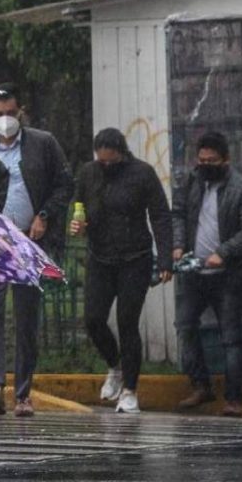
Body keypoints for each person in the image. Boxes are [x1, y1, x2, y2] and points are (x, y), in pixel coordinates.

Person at [0, 86, 74, 417]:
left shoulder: (42, 144)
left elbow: (65, 184)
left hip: (29, 241)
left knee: (26, 317)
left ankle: (22, 393)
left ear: (21, 111)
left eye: (10, 113)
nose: (5, 119)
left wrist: (44, 215)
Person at [70, 128, 173, 414]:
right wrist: (79, 223)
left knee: (128, 321)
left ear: (122, 154)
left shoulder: (142, 173)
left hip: (134, 258)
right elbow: (79, 203)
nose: (106, 165)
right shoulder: (89, 173)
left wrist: (166, 259)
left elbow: (160, 215)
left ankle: (130, 389)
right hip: (100, 256)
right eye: (101, 160)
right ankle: (114, 365)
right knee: (93, 318)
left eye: (111, 161)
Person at [171, 132, 242, 417]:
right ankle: (200, 385)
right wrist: (178, 245)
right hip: (195, 271)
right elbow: (178, 213)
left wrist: (224, 252)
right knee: (185, 325)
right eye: (201, 160)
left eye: (212, 161)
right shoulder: (193, 182)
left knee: (230, 336)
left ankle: (234, 398)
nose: (205, 165)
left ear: (225, 160)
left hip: (228, 275)